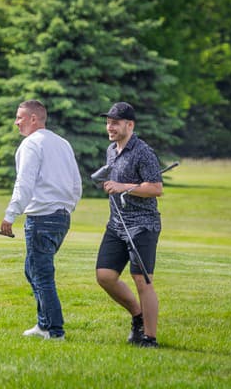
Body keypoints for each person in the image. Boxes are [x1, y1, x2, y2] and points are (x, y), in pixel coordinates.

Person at [0, 100, 82, 340]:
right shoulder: (63, 143)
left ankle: (55, 332)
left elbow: (24, 183)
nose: (16, 122)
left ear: (34, 119)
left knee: (42, 275)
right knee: (32, 269)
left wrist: (10, 215)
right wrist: (68, 207)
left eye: (19, 117)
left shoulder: (31, 144)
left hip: (41, 218)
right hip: (62, 217)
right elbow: (76, 182)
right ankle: (43, 324)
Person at [95, 101, 163, 348]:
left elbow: (156, 188)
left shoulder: (143, 151)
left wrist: (123, 187)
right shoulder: (111, 150)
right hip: (116, 224)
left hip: (142, 225)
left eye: (115, 122)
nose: (110, 127)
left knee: (141, 279)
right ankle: (138, 315)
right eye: (108, 122)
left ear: (129, 125)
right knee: (104, 276)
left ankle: (149, 338)